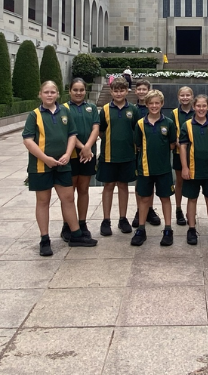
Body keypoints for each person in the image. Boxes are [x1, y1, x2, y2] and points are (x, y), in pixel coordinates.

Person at [22, 80, 97, 256]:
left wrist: (67, 153)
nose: (49, 95)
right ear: (40, 94)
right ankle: (44, 239)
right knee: (43, 201)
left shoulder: (65, 111)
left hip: (63, 165)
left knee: (68, 198)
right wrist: (45, 158)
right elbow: (28, 140)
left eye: (53, 92)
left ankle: (76, 234)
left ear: (58, 94)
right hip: (41, 165)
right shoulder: (34, 115)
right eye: (46, 92)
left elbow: (72, 134)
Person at [132, 89, 177, 246]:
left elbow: (172, 144)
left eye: (157, 103)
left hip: (163, 168)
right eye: (151, 103)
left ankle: (168, 229)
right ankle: (141, 229)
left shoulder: (169, 123)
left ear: (162, 104)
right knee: (144, 199)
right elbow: (138, 145)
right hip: (145, 168)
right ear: (146, 104)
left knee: (165, 198)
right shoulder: (140, 124)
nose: (154, 106)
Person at [180, 94, 208, 245]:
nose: (201, 109)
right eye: (198, 106)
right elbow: (183, 147)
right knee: (192, 199)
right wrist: (185, 168)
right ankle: (191, 229)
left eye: (204, 106)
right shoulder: (187, 125)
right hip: (192, 170)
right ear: (194, 107)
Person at [97, 78, 139, 236]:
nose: (119, 93)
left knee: (123, 186)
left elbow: (136, 129)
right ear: (111, 92)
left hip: (128, 155)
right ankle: (106, 220)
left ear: (127, 91)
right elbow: (101, 131)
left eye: (122, 90)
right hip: (109, 155)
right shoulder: (105, 109)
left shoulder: (133, 110)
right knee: (108, 186)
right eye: (116, 90)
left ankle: (123, 218)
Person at [61, 78, 100, 240]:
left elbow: (96, 128)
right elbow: (66, 132)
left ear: (85, 91)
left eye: (81, 90)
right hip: (70, 156)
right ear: (69, 91)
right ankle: (67, 225)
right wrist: (82, 147)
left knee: (83, 190)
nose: (78, 93)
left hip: (87, 155)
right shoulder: (63, 109)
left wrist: (87, 147)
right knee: (68, 194)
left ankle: (82, 223)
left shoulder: (91, 107)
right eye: (75, 90)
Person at [131, 78, 160, 228]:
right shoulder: (133, 109)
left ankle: (149, 209)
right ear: (135, 91)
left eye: (145, 89)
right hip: (138, 150)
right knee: (140, 182)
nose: (142, 92)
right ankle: (139, 209)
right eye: (139, 89)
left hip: (153, 150)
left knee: (152, 180)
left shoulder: (153, 107)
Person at [169, 86, 195, 226]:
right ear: (178, 97)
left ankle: (191, 212)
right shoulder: (174, 113)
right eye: (182, 95)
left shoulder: (197, 110)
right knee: (179, 181)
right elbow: (172, 134)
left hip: (196, 154)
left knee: (194, 183)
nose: (185, 98)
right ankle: (178, 210)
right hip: (179, 153)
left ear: (192, 97)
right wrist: (182, 145)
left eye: (187, 95)